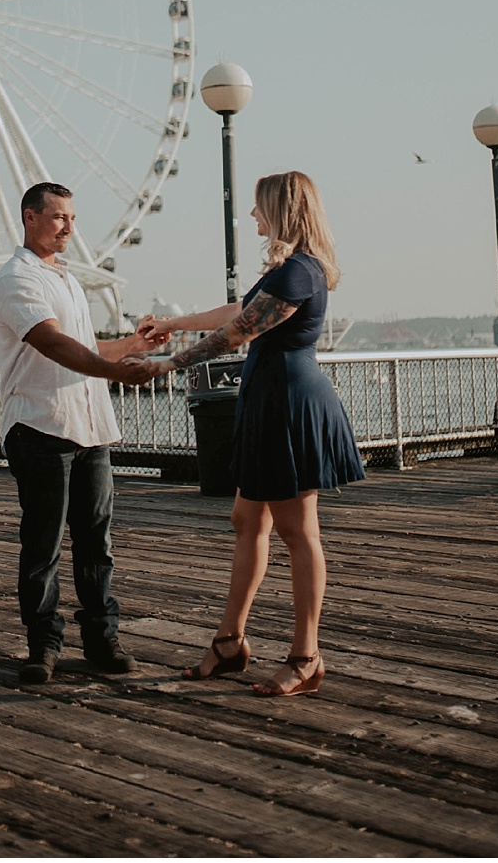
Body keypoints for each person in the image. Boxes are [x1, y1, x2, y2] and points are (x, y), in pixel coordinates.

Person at [139, 170, 365, 696]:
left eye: (259, 207)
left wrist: (170, 364)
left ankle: (306, 656)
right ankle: (229, 641)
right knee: (247, 518)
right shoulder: (286, 270)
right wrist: (174, 324)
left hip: (288, 402)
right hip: (267, 400)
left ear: (282, 209)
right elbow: (236, 311)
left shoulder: (299, 273)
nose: (251, 216)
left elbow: (242, 330)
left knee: (297, 529)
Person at [0, 181, 166, 684]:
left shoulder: (67, 279)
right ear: (30, 217)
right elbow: (52, 344)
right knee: (43, 544)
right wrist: (117, 374)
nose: (70, 227)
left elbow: (86, 346)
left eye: (72, 217)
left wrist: (132, 345)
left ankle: (100, 639)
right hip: (40, 425)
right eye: (60, 217)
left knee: (96, 542)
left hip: (91, 428)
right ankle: (43, 644)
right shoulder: (14, 280)